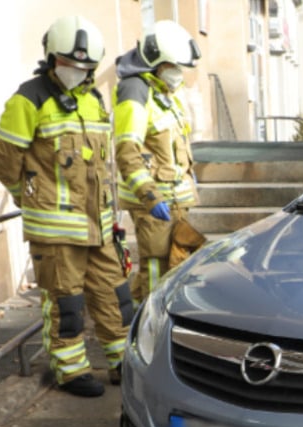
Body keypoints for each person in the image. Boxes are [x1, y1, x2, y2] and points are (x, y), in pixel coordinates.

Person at [0, 15, 133, 398]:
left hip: (99, 227)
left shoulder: (93, 99)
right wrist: (28, 195)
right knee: (66, 305)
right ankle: (71, 372)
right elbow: (4, 161)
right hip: (57, 232)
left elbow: (101, 166)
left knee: (115, 298)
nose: (76, 71)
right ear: (52, 59)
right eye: (69, 64)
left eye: (85, 66)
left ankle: (123, 364)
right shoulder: (29, 99)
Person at [112, 20, 205, 305]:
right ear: (157, 63)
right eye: (174, 66)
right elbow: (127, 151)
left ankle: (139, 320)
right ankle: (148, 326)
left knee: (172, 266)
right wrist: (150, 197)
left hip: (173, 202)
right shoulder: (136, 92)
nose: (179, 74)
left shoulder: (164, 93)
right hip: (153, 205)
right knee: (156, 273)